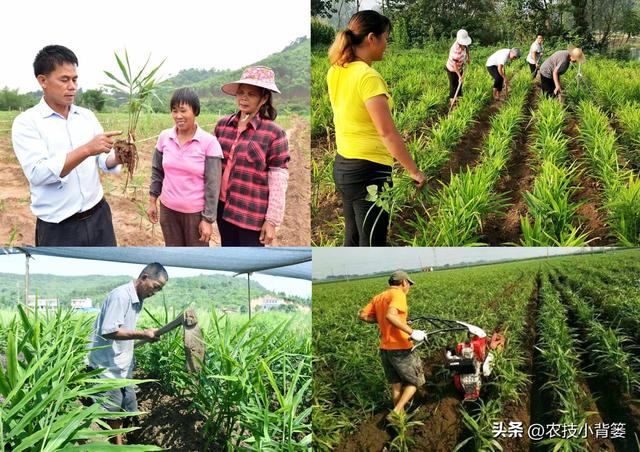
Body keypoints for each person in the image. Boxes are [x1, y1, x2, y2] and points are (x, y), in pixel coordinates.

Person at [327, 10, 426, 247]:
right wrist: (414, 171)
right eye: (386, 38)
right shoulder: (368, 77)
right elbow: (387, 132)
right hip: (370, 173)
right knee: (373, 243)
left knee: (352, 240)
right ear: (372, 38)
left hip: (344, 166)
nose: (387, 44)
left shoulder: (336, 70)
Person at [12, 45, 123, 246]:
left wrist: (118, 157)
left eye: (75, 79)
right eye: (64, 80)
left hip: (99, 217)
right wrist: (87, 149)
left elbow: (102, 160)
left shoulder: (86, 116)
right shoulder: (27, 122)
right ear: (43, 81)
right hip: (58, 228)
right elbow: (38, 173)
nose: (72, 86)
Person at [86, 263, 168, 445]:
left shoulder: (138, 298)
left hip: (122, 364)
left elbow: (125, 329)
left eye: (159, 290)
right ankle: (118, 445)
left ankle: (128, 438)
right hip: (107, 366)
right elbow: (109, 331)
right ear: (144, 278)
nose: (155, 292)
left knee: (129, 405)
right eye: (156, 287)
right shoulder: (121, 296)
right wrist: (143, 333)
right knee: (113, 410)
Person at [214, 66, 289, 247]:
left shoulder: (273, 133)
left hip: (251, 213)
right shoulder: (223, 126)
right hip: (222, 208)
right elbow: (211, 167)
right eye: (240, 93)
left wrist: (271, 221)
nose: (244, 98)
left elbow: (278, 179)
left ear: (264, 98)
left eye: (251, 94)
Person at [148, 88, 223, 246]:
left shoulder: (209, 142)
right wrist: (152, 201)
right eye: (174, 111)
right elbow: (157, 172)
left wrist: (208, 219)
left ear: (195, 111)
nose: (178, 116)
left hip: (195, 215)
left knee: (197, 259)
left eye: (183, 110)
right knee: (174, 256)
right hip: (168, 211)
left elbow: (213, 185)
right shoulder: (164, 137)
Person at [359, 270, 426, 416]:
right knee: (415, 381)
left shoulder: (379, 297)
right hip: (401, 347)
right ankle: (397, 411)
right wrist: (412, 332)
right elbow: (390, 315)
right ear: (404, 282)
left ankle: (400, 419)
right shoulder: (398, 294)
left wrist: (384, 320)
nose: (408, 287)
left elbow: (363, 315)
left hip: (385, 349)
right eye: (408, 284)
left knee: (396, 385)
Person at [446, 29, 472, 110]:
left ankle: (459, 101)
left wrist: (468, 57)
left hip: (460, 67)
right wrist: (459, 76)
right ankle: (453, 105)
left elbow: (467, 48)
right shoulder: (456, 51)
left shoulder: (464, 44)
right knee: (454, 86)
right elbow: (454, 65)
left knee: (459, 85)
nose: (464, 44)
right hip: (452, 69)